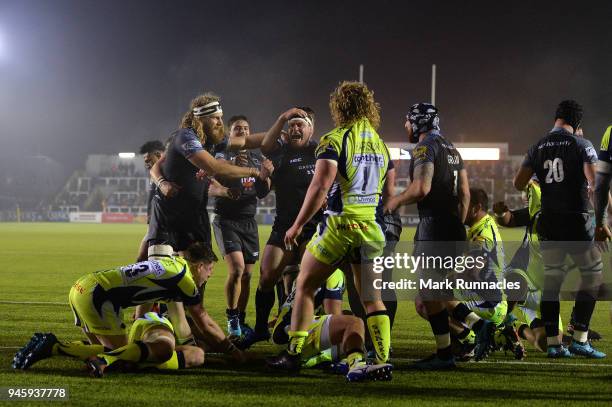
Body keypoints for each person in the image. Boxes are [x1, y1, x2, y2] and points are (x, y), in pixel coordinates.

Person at [266, 81, 393, 381]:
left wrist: (296, 225)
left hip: (340, 225)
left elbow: (321, 185)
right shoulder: (379, 142)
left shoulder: (334, 139)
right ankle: (382, 359)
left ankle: (293, 354)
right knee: (371, 297)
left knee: (305, 285)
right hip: (371, 228)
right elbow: (386, 188)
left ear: (339, 107)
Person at [12, 243, 246, 371]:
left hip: (82, 287)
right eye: (210, 270)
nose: (209, 275)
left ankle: (52, 346)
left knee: (116, 352)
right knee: (122, 357)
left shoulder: (170, 264)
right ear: (200, 265)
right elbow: (203, 320)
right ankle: (55, 347)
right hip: (99, 296)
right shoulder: (184, 279)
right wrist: (231, 351)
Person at [513, 99, 605, 358]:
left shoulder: (537, 146)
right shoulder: (582, 145)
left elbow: (518, 183)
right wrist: (602, 222)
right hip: (576, 221)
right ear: (576, 122)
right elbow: (594, 185)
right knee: (593, 276)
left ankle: (554, 344)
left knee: (552, 282)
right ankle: (580, 339)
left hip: (549, 222)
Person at [385, 103, 470, 369]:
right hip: (455, 227)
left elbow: (421, 188)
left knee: (428, 292)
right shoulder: (452, 148)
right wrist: (459, 224)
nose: (406, 126)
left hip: (433, 226)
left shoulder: (424, 148)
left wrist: (395, 201)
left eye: (409, 121)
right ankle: (464, 338)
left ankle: (455, 347)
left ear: (420, 123)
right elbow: (465, 194)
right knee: (434, 295)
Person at [238, 106, 322, 349]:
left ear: (310, 129)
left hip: (313, 228)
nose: (295, 129)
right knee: (266, 278)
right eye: (292, 125)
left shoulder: (320, 151)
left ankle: (299, 329)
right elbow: (262, 192)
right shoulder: (280, 154)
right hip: (284, 227)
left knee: (310, 281)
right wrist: (263, 177)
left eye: (300, 125)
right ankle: (261, 329)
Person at [212, 115, 272, 336]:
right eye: (238, 128)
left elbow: (263, 193)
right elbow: (216, 175)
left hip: (248, 221)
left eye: (246, 128)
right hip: (226, 219)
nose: (243, 132)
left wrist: (265, 176)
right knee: (236, 269)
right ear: (230, 132)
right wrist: (234, 169)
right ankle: (232, 318)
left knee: (247, 275)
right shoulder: (222, 152)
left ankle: (242, 319)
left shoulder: (257, 159)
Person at [135, 140, 165, 263]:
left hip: (165, 225)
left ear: (158, 155)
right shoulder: (154, 173)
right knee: (142, 259)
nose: (146, 163)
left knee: (151, 262)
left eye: (148, 160)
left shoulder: (168, 172)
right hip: (154, 223)